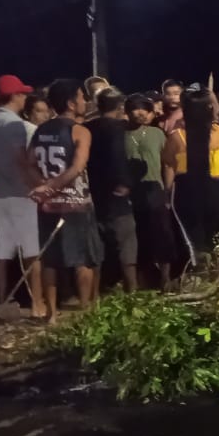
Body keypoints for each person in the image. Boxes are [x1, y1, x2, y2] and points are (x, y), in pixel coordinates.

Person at [30, 80, 102, 322]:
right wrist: (51, 187)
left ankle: (51, 314)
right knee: (84, 259)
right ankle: (85, 311)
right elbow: (77, 167)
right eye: (81, 97)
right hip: (76, 204)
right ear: (71, 103)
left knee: (51, 260)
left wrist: (42, 187)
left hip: (48, 205)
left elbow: (27, 162)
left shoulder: (41, 130)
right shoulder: (80, 131)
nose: (85, 101)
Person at [0, 75, 46, 316]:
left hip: (0, 194)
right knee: (32, 251)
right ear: (15, 96)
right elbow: (22, 160)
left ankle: (3, 301)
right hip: (23, 194)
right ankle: (37, 304)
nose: (25, 98)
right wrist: (39, 185)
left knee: (3, 250)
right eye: (23, 94)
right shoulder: (19, 126)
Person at [163, 86, 219, 264]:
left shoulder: (177, 137)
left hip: (186, 194)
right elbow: (217, 112)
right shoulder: (218, 133)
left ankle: (197, 271)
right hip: (214, 192)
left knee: (192, 242)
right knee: (211, 238)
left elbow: (168, 163)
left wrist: (167, 192)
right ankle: (212, 270)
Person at [86, 88, 139, 291]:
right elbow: (117, 156)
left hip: (93, 192)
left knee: (97, 247)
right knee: (126, 243)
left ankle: (93, 295)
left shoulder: (87, 127)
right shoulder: (117, 128)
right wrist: (124, 182)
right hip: (115, 194)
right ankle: (132, 292)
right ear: (120, 107)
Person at [124, 93, 178, 288]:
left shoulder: (157, 134)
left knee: (162, 235)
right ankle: (141, 281)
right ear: (127, 112)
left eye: (144, 109)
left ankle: (165, 279)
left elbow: (168, 163)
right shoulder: (121, 134)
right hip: (131, 194)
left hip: (155, 190)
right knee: (138, 237)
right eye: (135, 108)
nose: (140, 113)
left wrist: (167, 190)